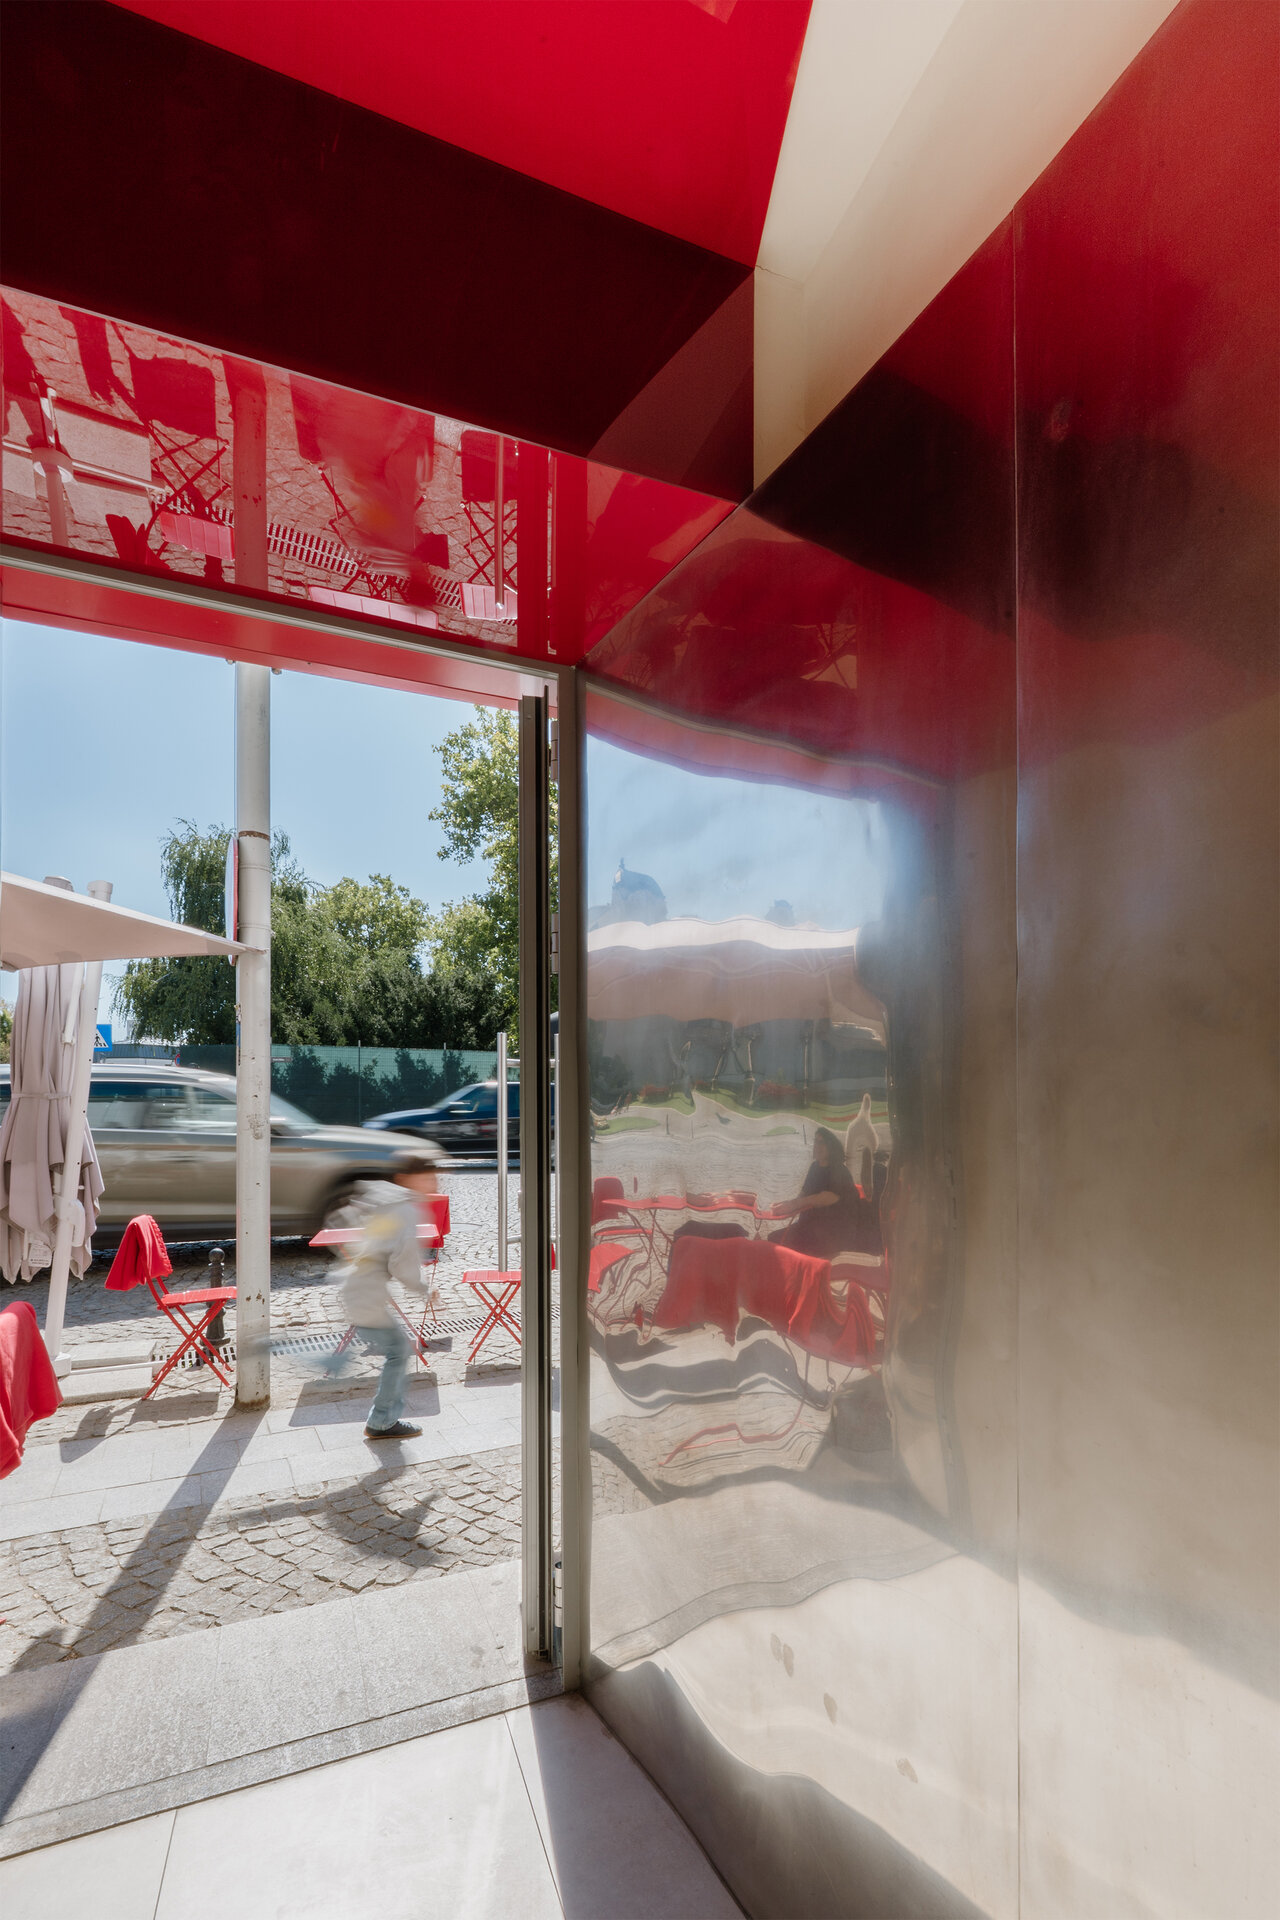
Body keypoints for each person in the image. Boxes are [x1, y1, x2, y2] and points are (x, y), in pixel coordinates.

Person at [323, 1145, 444, 1439]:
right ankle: (382, 1422)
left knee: (397, 1349)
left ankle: (381, 1419)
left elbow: (345, 1221)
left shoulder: (387, 1200)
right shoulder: (405, 1209)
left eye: (434, 1178)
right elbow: (402, 1262)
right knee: (398, 1351)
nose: (433, 1184)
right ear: (405, 1178)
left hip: (359, 1286)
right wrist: (424, 1288)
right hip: (367, 1291)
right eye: (427, 1178)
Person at [769, 1126, 873, 1259]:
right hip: (809, 1227)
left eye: (822, 1142)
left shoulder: (839, 1170)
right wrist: (786, 1205)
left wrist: (794, 1204)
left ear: (831, 1147)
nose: (817, 1146)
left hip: (833, 1232)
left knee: (784, 1245)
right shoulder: (814, 1167)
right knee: (773, 1238)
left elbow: (824, 1198)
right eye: (815, 1142)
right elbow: (804, 1193)